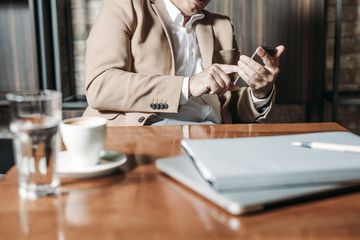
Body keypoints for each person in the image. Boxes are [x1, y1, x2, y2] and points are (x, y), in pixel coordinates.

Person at [83, 0, 285, 126]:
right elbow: (100, 86)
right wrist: (188, 86)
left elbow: (231, 109)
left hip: (215, 137)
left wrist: (260, 92)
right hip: (149, 133)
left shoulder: (222, 25)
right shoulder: (124, 6)